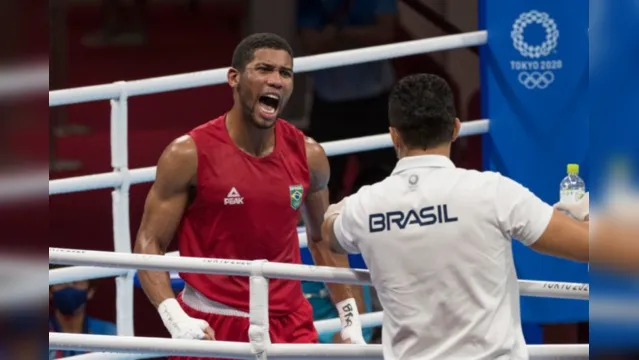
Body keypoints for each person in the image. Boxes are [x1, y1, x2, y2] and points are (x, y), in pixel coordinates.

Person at [321, 74, 590, 360]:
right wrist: (585, 216)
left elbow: (329, 234)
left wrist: (340, 209)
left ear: (394, 136)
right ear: (455, 129)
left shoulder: (365, 205)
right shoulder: (492, 192)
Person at [133, 33, 366, 359]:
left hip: (289, 324)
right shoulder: (188, 154)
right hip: (212, 322)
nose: (276, 80)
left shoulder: (309, 155)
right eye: (264, 69)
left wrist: (351, 320)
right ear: (234, 78)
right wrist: (176, 318)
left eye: (285, 73)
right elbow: (149, 242)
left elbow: (322, 239)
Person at [297, 0, 399, 203]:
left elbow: (386, 33)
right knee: (322, 182)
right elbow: (312, 43)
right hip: (329, 99)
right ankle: (325, 233)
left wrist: (339, 35)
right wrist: (360, 35)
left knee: (382, 180)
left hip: (375, 97)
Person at [48, 265, 117, 359]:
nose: (68, 287)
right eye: (61, 282)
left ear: (90, 291)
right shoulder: (33, 336)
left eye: (76, 282)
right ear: (50, 292)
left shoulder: (109, 333)